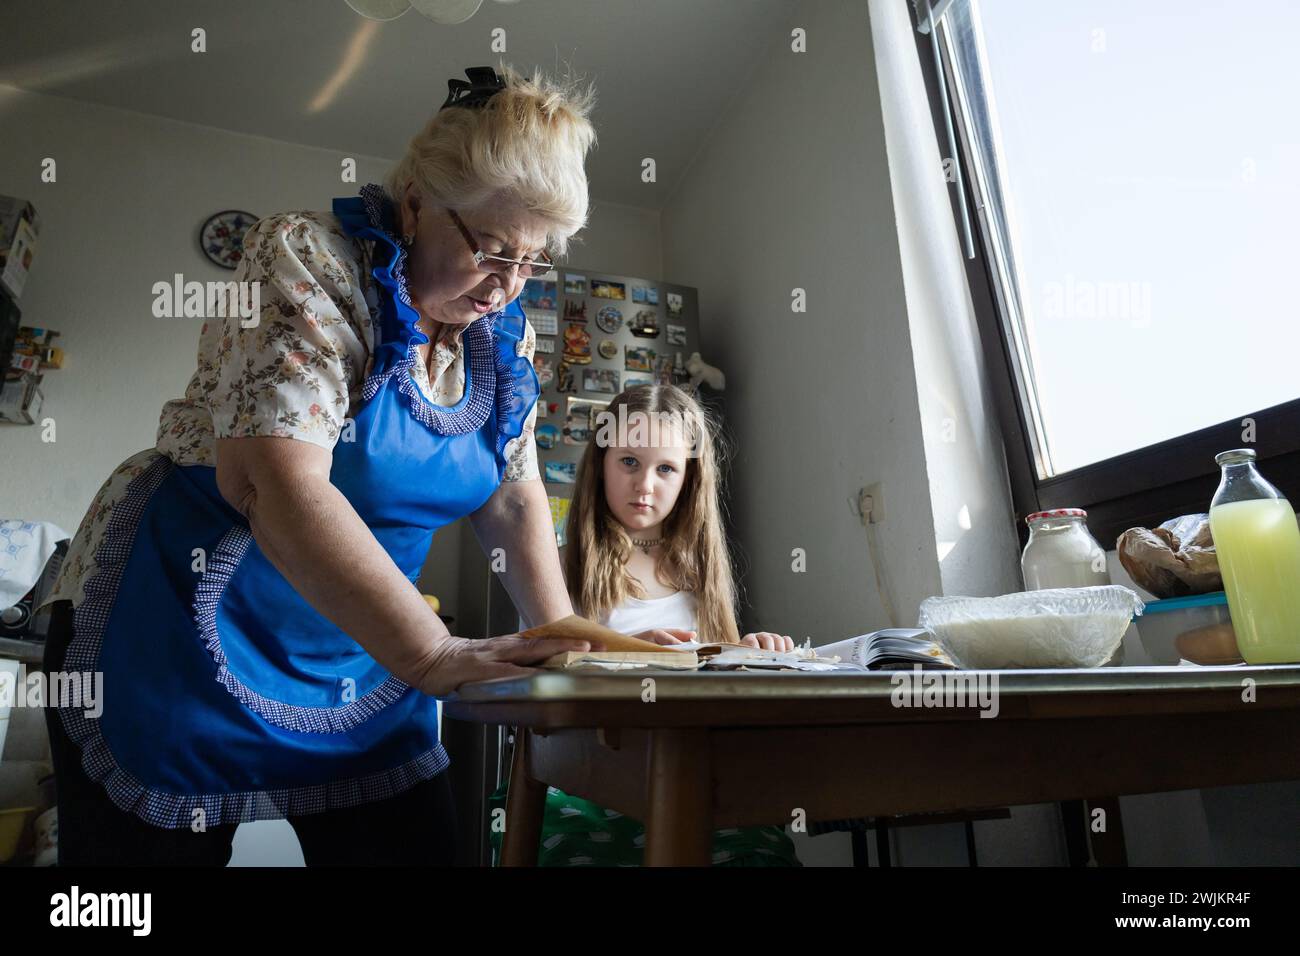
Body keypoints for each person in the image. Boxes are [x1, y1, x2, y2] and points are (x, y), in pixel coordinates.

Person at [38, 63, 599, 866]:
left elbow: (511, 498)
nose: (506, 287)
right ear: (415, 203)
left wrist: (561, 640)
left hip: (359, 645)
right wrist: (433, 655)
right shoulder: (311, 257)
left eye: (533, 262)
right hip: (178, 621)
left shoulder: (503, 338)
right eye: (489, 249)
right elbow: (274, 482)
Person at [489, 384, 800, 866]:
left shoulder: (700, 581)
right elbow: (537, 673)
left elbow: (716, 683)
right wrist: (622, 650)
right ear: (602, 463)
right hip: (585, 780)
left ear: (688, 480)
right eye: (629, 461)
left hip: (686, 774)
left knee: (761, 853)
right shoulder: (560, 570)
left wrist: (750, 650)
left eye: (666, 468)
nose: (645, 484)